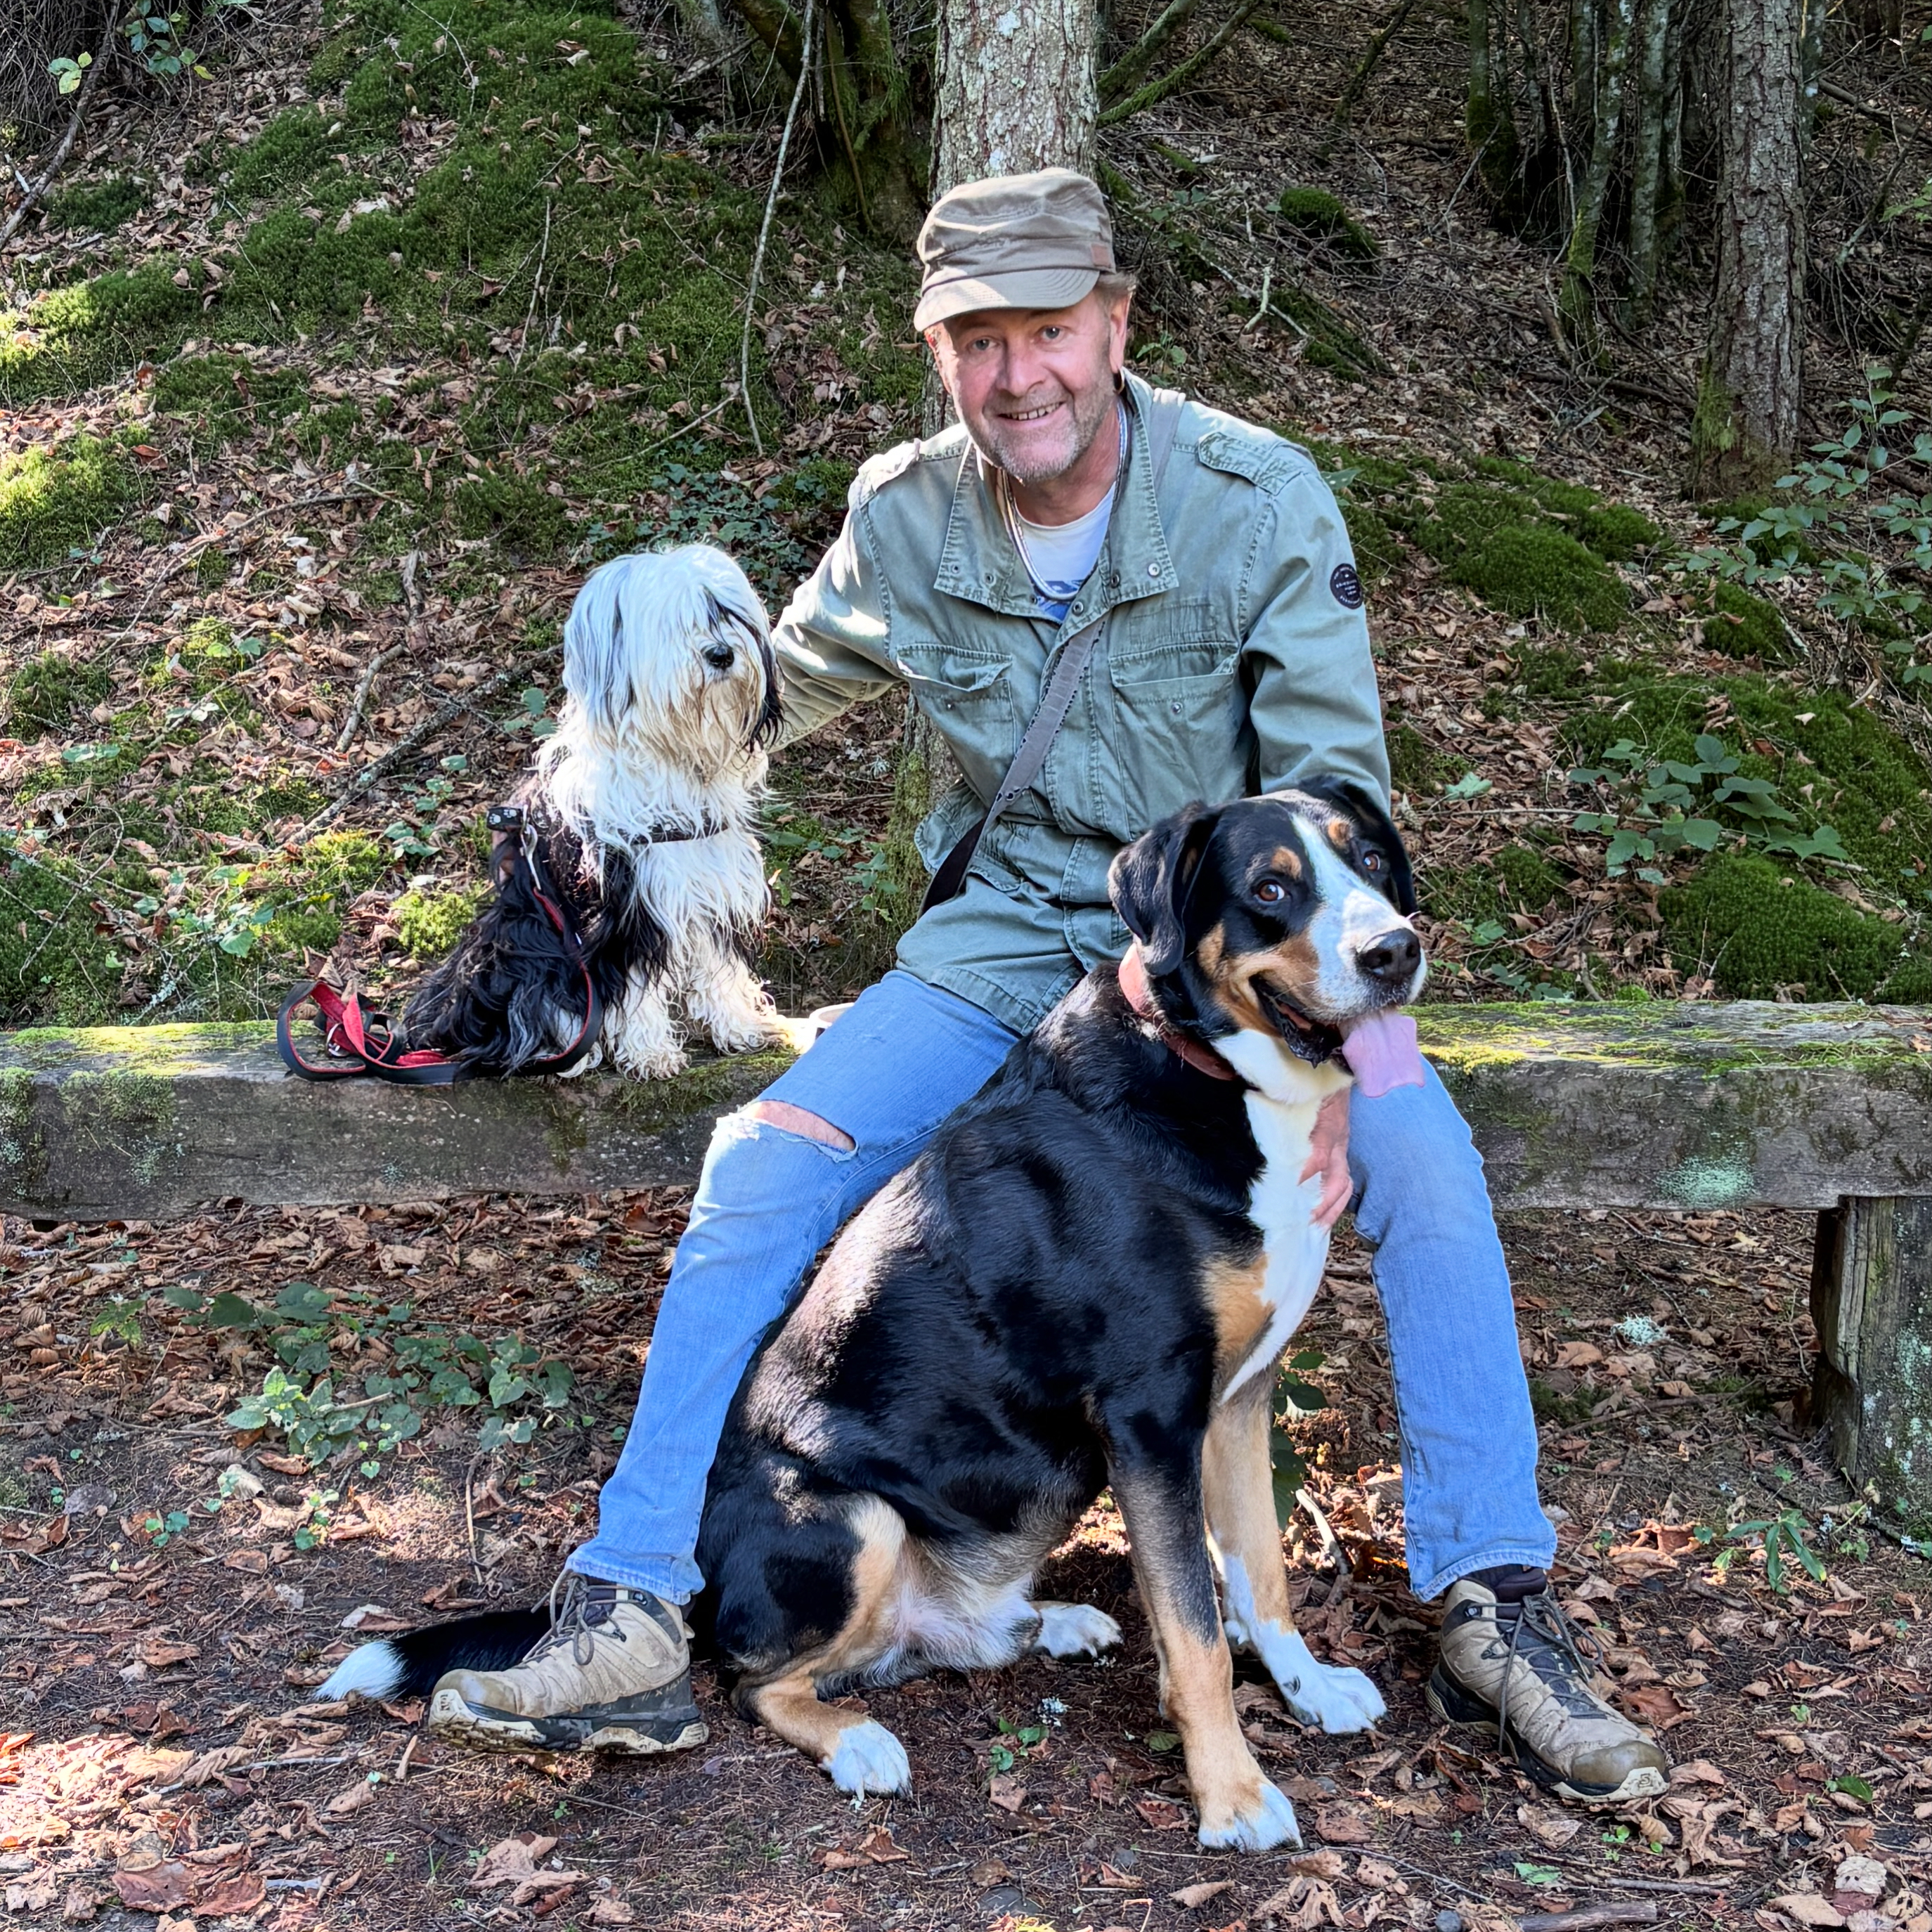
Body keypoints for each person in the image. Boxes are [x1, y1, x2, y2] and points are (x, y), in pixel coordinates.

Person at [427, 169, 1668, 1808]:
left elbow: (1329, 805)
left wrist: (1329, 1047)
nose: (1020, 377)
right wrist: (603, 770)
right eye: (979, 343)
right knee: (763, 1162)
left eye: (1050, 333)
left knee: (1427, 1176)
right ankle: (637, 1595)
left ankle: (1494, 1592)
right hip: (1002, 942)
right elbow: (759, 691)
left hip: (1226, 968)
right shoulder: (906, 510)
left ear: (1116, 323)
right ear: (939, 352)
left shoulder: (1255, 497)